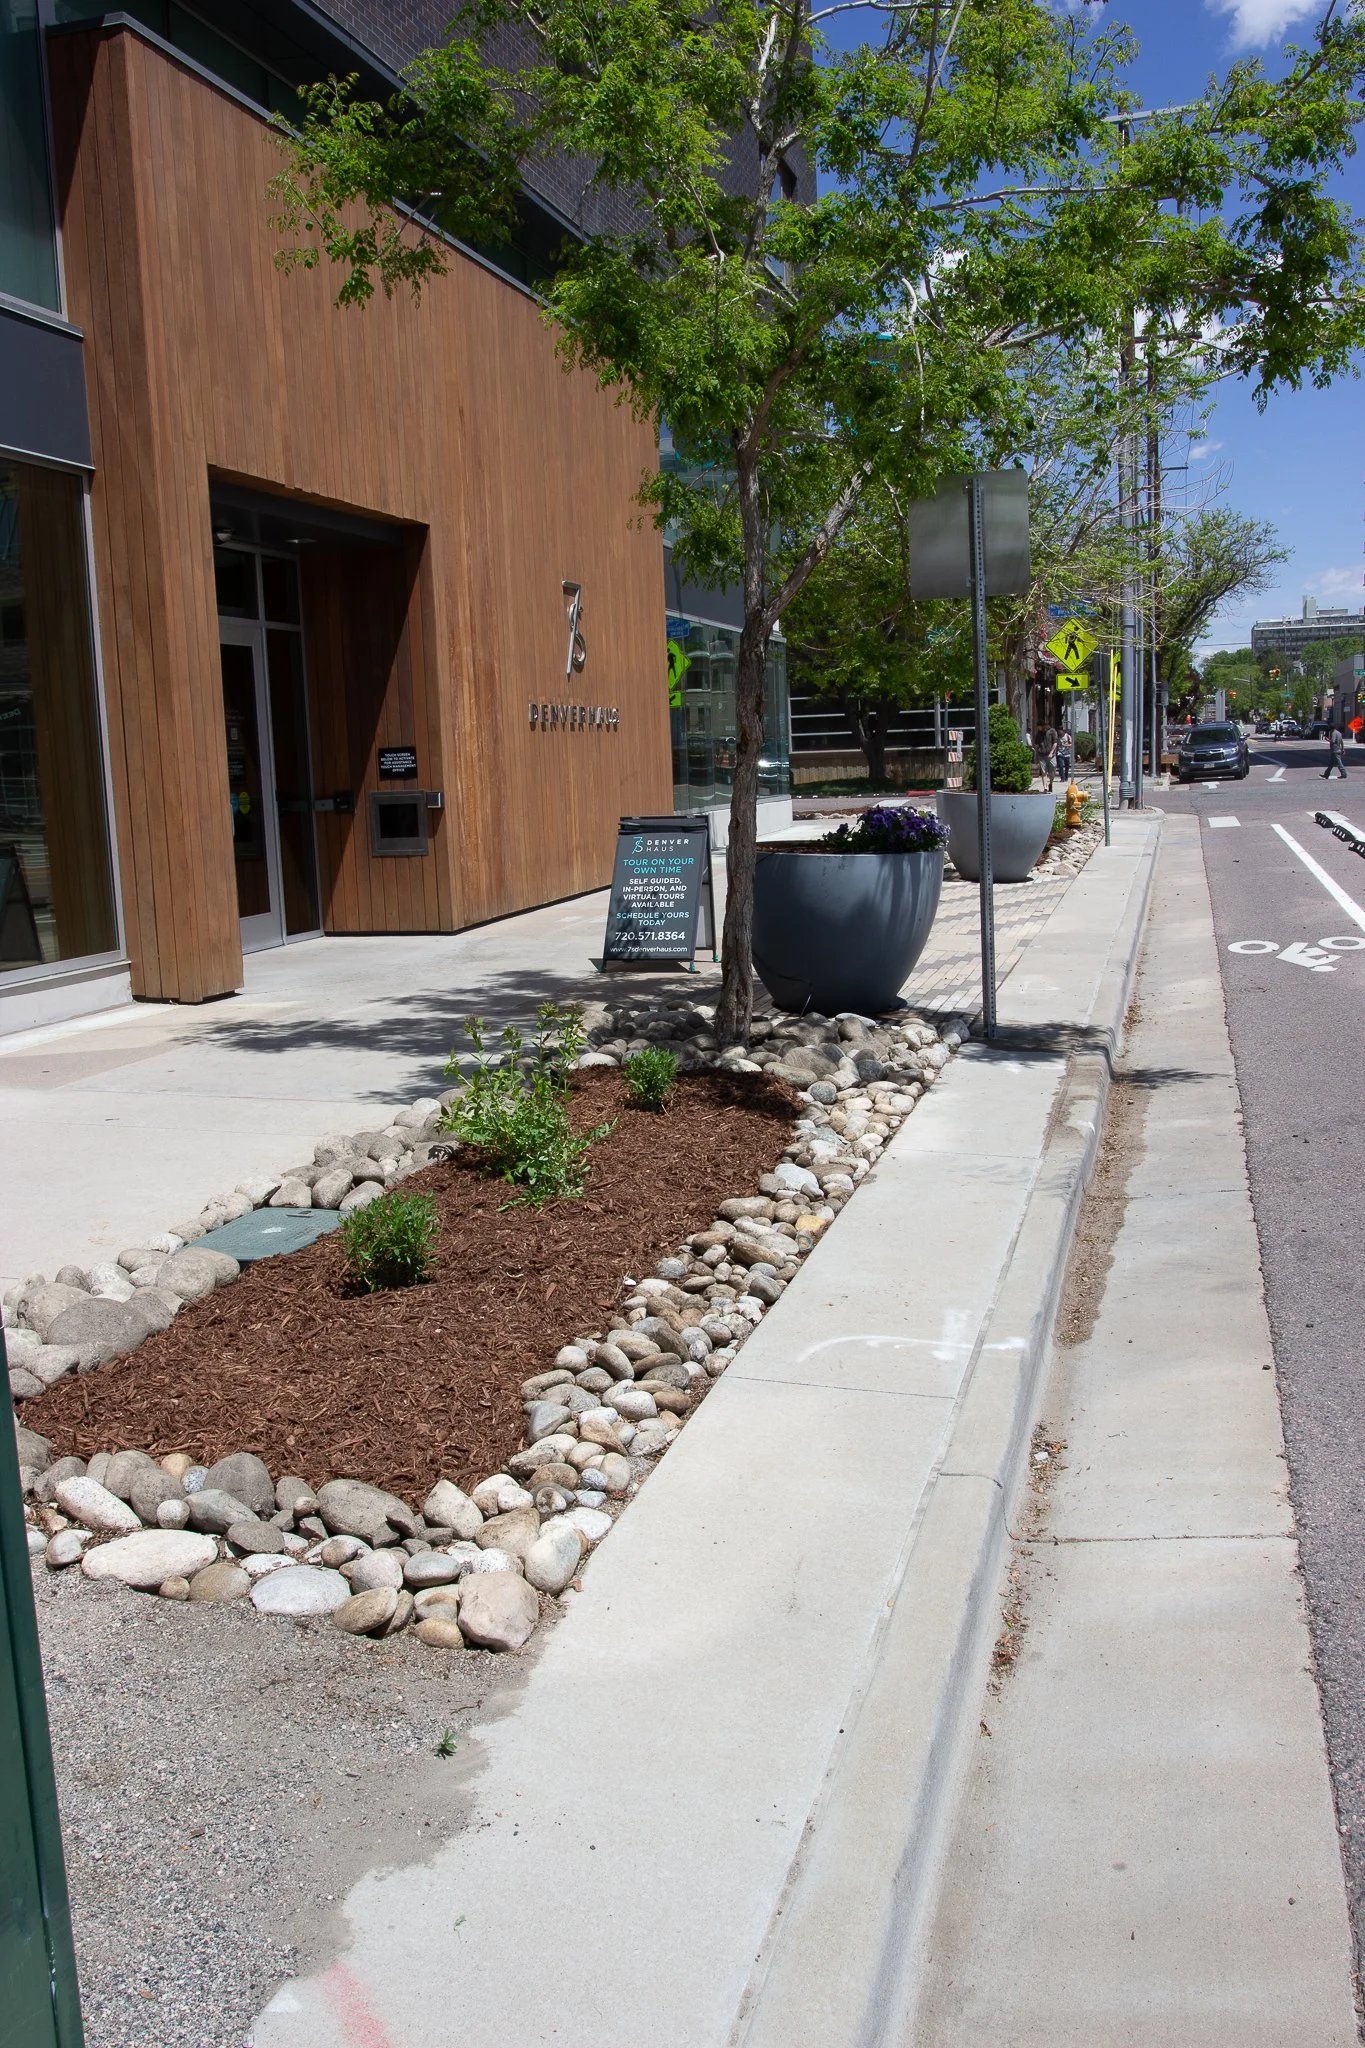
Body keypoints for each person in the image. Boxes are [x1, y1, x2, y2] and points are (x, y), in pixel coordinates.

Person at [1040, 724, 1059, 792]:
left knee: (1052, 771)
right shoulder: (1040, 733)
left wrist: (1051, 752)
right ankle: (1045, 787)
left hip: (1051, 755)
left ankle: (1050, 783)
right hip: (1042, 755)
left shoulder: (1052, 731)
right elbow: (1036, 743)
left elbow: (1055, 743)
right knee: (1044, 771)